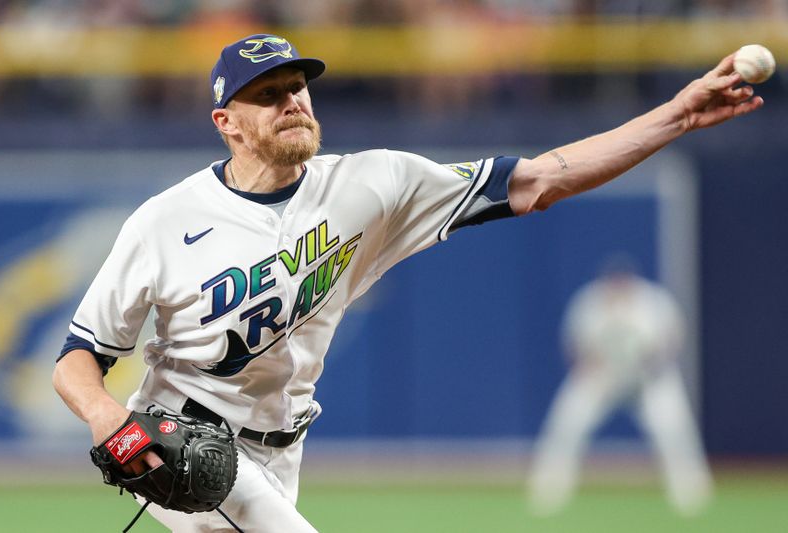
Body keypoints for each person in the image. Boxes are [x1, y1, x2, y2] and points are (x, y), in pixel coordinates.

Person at [52, 32, 761, 532]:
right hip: (189, 445)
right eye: (268, 94)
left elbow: (543, 178)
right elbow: (79, 357)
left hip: (282, 445)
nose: (293, 100)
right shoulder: (165, 221)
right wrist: (105, 415)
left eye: (297, 86)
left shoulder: (374, 183)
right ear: (227, 123)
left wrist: (677, 116)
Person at [527, 259, 713, 516]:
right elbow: (575, 348)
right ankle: (549, 489)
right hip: (603, 378)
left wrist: (650, 364)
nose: (618, 291)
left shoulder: (654, 303)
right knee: (568, 422)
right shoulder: (589, 303)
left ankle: (690, 492)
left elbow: (672, 343)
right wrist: (595, 369)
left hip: (650, 379)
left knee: (673, 428)